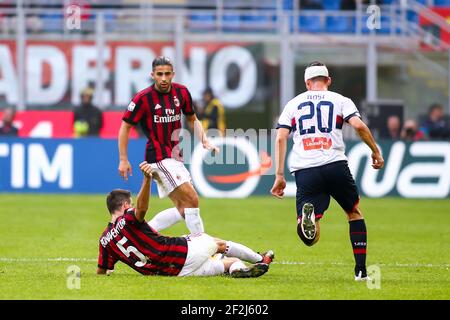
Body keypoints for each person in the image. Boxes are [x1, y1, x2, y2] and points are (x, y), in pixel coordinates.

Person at [270, 61, 384, 281]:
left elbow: (281, 137)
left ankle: (309, 215)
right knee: (353, 212)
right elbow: (359, 126)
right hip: (335, 165)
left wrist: (279, 175)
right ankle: (360, 271)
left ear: (306, 83)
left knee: (310, 239)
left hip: (305, 170)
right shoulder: (341, 100)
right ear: (328, 80)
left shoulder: (293, 104)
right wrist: (375, 151)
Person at [97, 161, 274, 277]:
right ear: (126, 205)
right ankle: (260, 259)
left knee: (230, 263)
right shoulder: (127, 219)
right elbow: (142, 208)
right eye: (131, 204)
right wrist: (146, 179)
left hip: (171, 273)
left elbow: (102, 271)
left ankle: (239, 270)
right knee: (218, 244)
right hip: (179, 254)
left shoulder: (104, 240)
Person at [118, 56, 219, 235]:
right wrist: (123, 159)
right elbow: (125, 126)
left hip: (174, 155)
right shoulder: (143, 98)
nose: (163, 78)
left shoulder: (182, 93)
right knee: (192, 200)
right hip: (158, 157)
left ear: (173, 74)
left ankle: (143, 235)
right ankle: (203, 246)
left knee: (183, 208)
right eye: (159, 74)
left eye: (167, 74)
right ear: (152, 75)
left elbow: (192, 118)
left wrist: (204, 139)